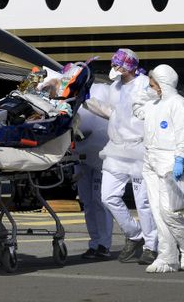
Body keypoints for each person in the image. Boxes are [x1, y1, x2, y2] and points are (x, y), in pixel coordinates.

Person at [85, 49, 158, 264]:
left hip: (139, 150)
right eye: (114, 65)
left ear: (130, 67)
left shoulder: (145, 84)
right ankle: (135, 234)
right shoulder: (115, 87)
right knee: (108, 196)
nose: (114, 69)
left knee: (143, 202)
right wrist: (86, 101)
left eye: (118, 65)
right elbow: (111, 112)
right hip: (116, 150)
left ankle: (151, 246)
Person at [133, 64, 184, 273]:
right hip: (150, 159)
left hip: (170, 161)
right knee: (157, 212)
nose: (151, 86)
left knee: (170, 212)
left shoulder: (179, 104)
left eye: (153, 83)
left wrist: (180, 159)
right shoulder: (154, 104)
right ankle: (167, 257)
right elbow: (137, 110)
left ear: (163, 83)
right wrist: (143, 90)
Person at [74, 83, 114, 260]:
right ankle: (94, 242)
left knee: (99, 200)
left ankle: (104, 244)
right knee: (87, 202)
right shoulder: (71, 97)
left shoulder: (101, 93)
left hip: (100, 156)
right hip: (81, 155)